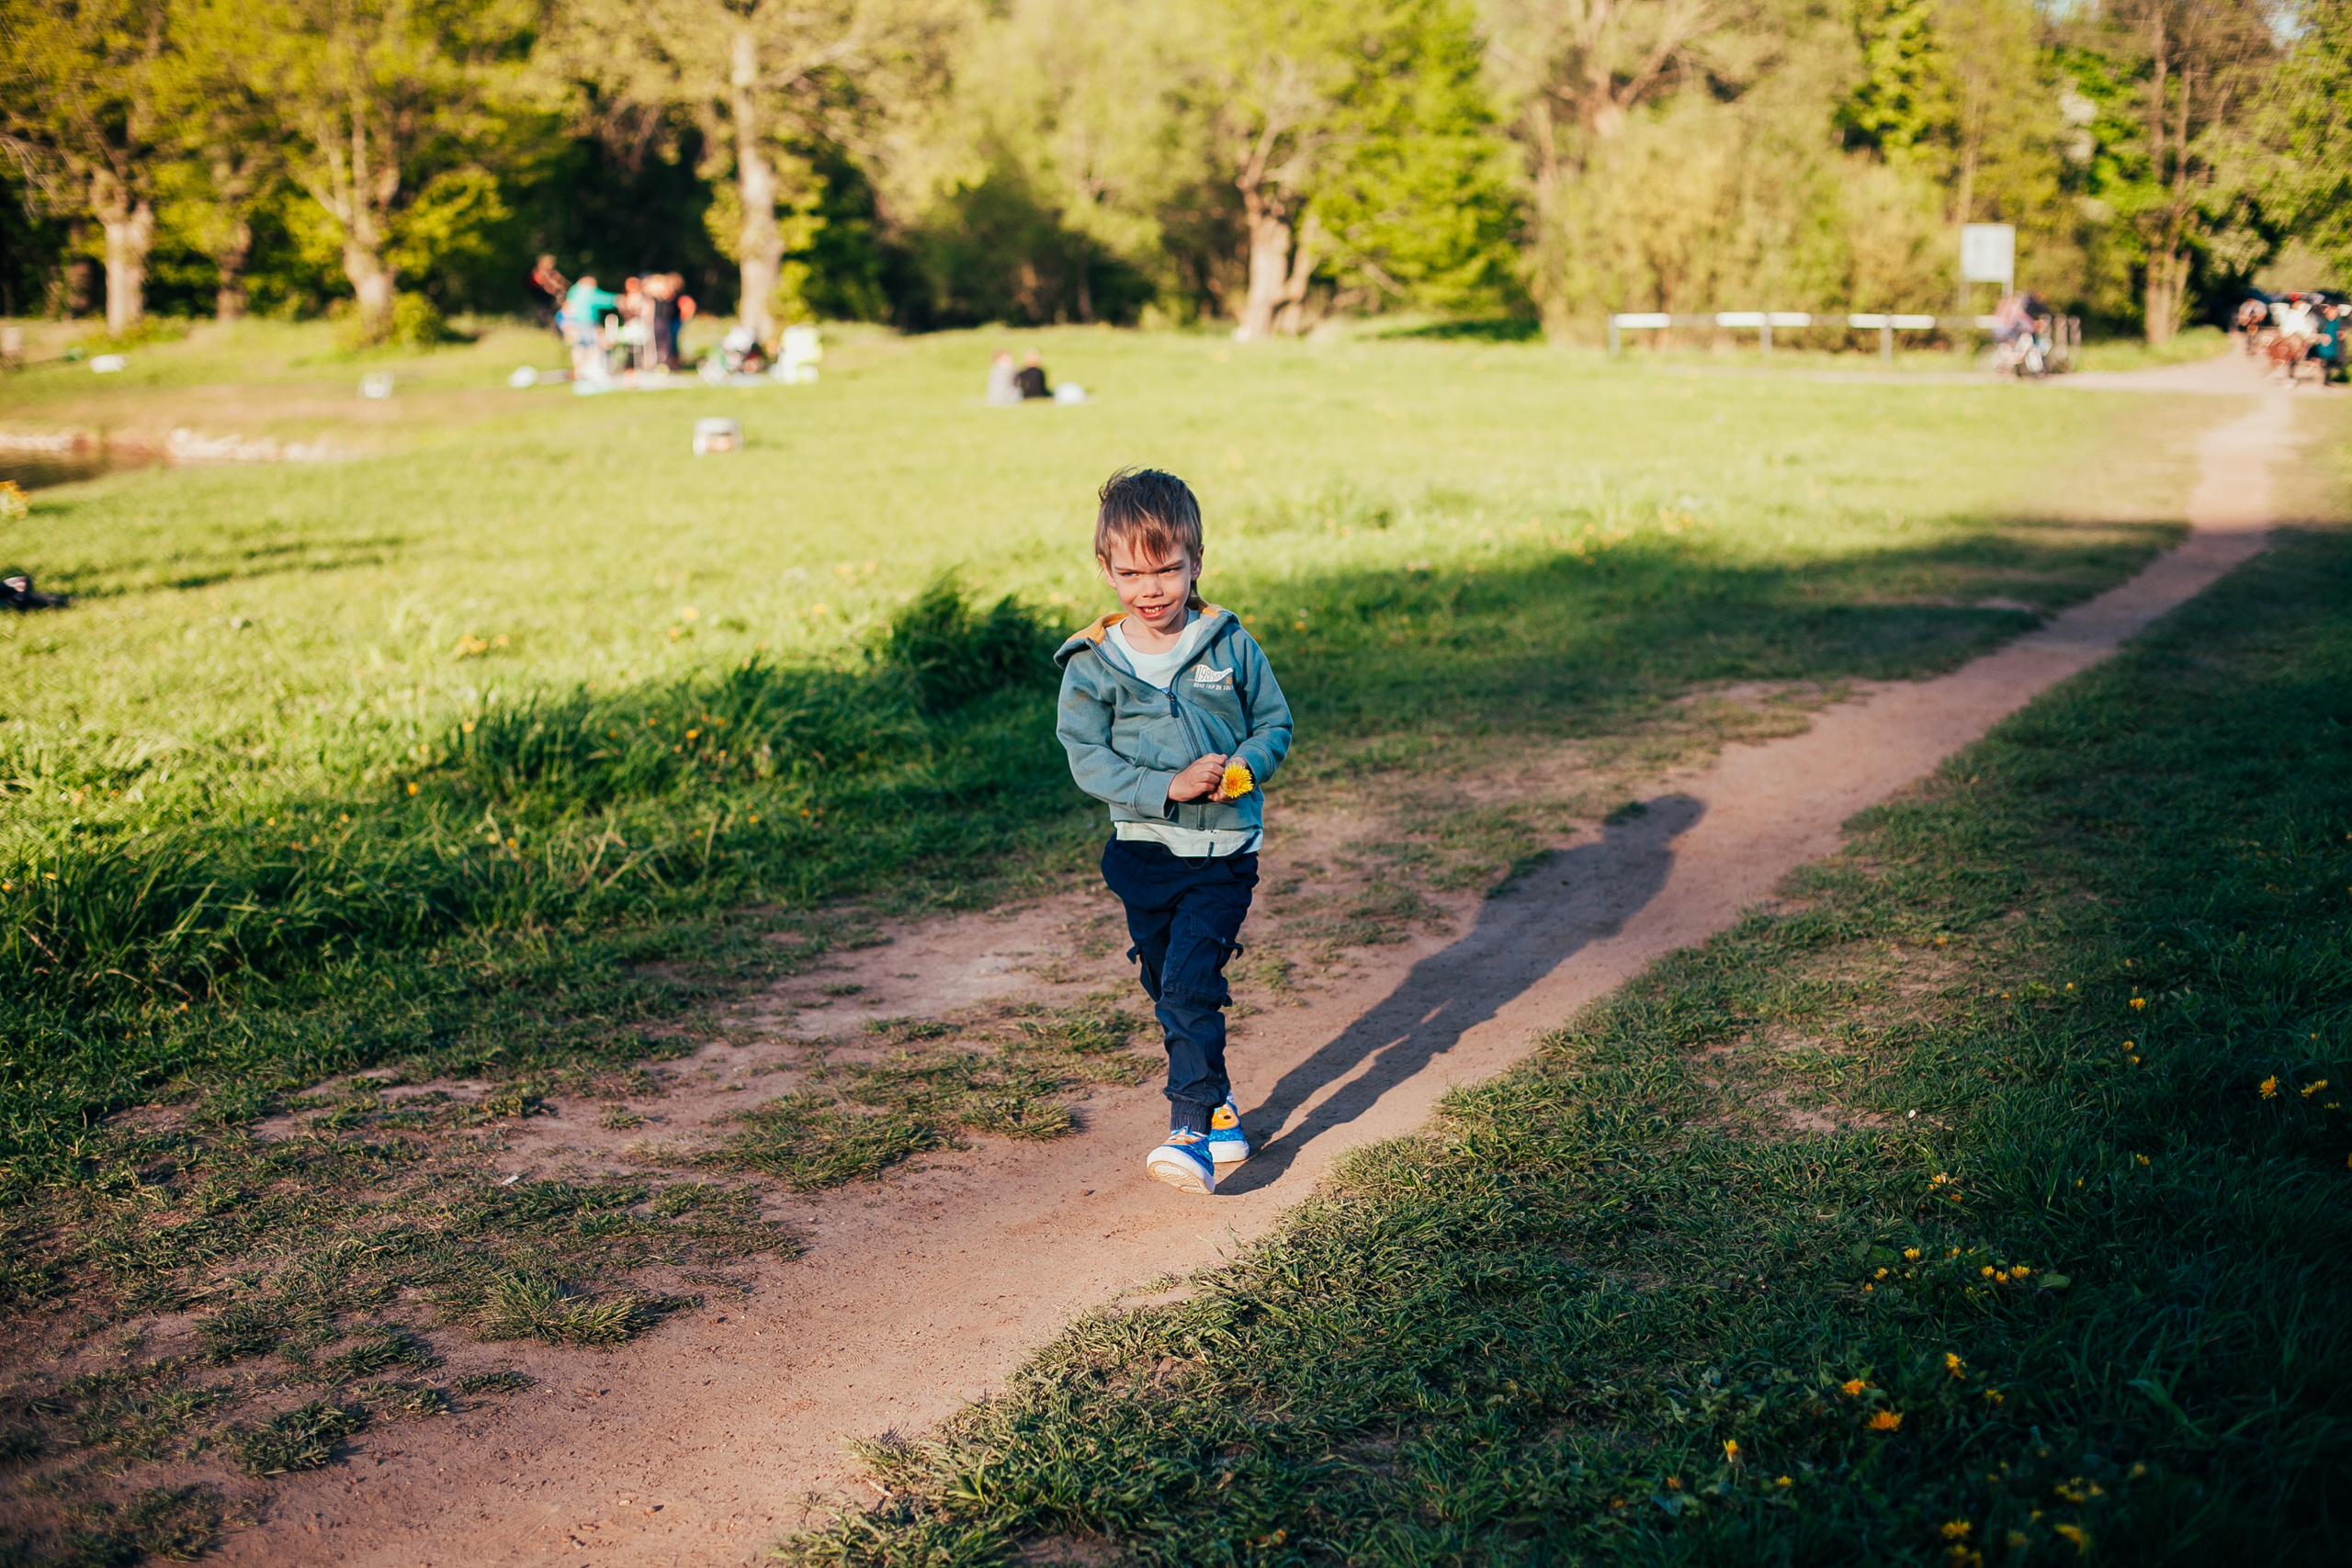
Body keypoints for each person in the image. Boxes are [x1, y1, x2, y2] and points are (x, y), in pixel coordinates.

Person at [1053, 468, 1294, 1195]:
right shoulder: (1094, 665)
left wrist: (1246, 766)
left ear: (1197, 563)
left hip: (1221, 857)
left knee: (1191, 983)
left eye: (1167, 569)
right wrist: (1164, 785)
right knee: (1168, 985)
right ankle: (1220, 1101)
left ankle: (1188, 1127)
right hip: (1142, 854)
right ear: (1105, 568)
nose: (1150, 588)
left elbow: (1273, 723)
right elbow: (1086, 757)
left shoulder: (1229, 645)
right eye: (1130, 572)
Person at [560, 275, 618, 380]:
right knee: (592, 346)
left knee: (579, 347)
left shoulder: (573, 291)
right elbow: (602, 299)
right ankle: (593, 370)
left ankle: (579, 371)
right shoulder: (586, 290)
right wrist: (617, 299)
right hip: (587, 323)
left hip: (575, 323)